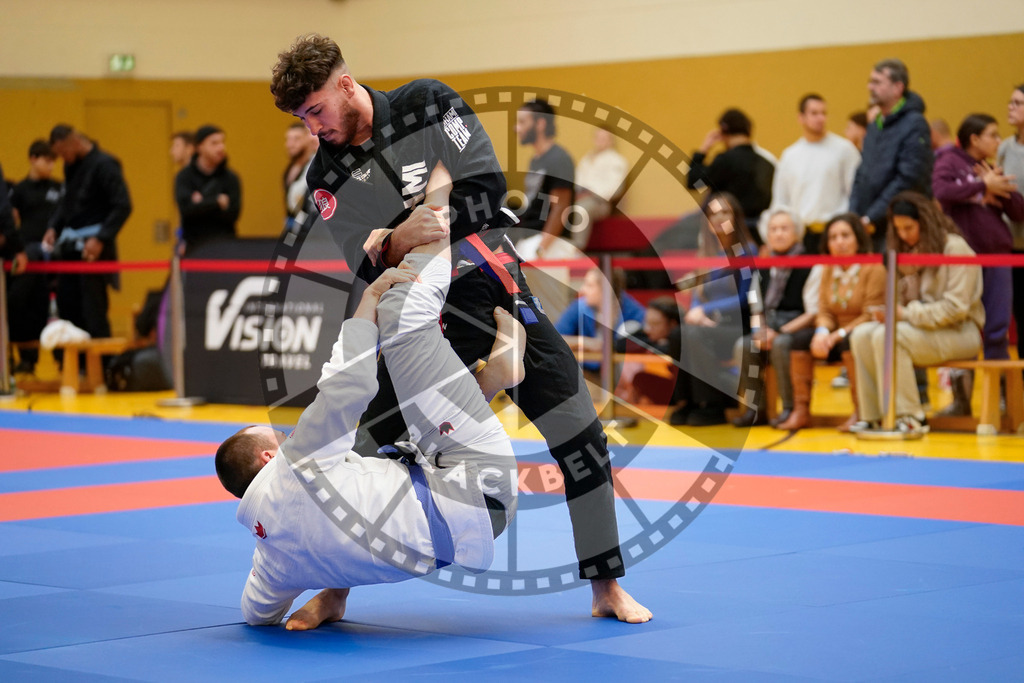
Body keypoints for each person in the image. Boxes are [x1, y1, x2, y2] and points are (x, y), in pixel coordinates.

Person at [269, 34, 650, 622]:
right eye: (302, 118)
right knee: (357, 451)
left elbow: (488, 188)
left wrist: (410, 229)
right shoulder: (326, 177)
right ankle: (334, 588)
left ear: (345, 85)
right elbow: (364, 261)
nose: (313, 127)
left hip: (490, 289)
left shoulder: (426, 102)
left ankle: (606, 588)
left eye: (315, 111)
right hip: (411, 321)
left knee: (581, 434)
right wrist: (408, 228)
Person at [217, 240, 524, 629]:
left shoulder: (272, 563)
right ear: (267, 458)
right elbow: (350, 386)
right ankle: (440, 214)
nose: (289, 435)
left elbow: (255, 613)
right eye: (280, 435)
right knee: (402, 311)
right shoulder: (296, 462)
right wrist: (371, 298)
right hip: (481, 481)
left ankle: (333, 595)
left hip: (462, 521)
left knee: (358, 466)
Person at [848, 192, 984, 436]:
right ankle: (874, 416)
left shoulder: (955, 248)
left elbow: (956, 309)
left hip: (961, 331)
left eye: (908, 227)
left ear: (926, 221)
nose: (903, 234)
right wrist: (889, 312)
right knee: (861, 334)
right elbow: (902, 306)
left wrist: (905, 314)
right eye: (898, 229)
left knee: (889, 338)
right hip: (920, 329)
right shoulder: (903, 252)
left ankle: (910, 416)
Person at [933, 113, 1024, 415]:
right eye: (993, 135)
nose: (998, 141)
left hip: (997, 255)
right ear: (974, 139)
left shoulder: (991, 168)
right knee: (960, 325)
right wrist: (980, 186)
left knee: (997, 328)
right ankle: (961, 401)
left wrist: (999, 189)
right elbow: (942, 192)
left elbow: (1019, 211)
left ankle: (1002, 401)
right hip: (963, 259)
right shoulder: (949, 161)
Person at [784, 213, 884, 431]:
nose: (839, 242)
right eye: (833, 237)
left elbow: (870, 314)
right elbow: (825, 310)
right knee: (800, 340)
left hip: (861, 332)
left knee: (851, 340)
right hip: (832, 334)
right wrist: (821, 331)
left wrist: (837, 335)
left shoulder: (873, 267)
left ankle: (861, 411)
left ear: (858, 238)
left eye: (845, 235)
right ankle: (801, 411)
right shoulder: (828, 268)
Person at [671, 192, 757, 426]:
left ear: (736, 217)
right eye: (713, 214)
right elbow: (699, 295)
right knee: (679, 333)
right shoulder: (706, 255)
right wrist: (697, 312)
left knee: (694, 334)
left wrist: (707, 310)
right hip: (709, 325)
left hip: (737, 325)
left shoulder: (748, 250)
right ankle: (686, 402)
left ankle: (714, 405)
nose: (719, 218)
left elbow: (744, 298)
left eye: (725, 212)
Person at [734, 209, 820, 428]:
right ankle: (756, 409)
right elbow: (755, 307)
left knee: (782, 344)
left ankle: (789, 408)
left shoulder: (811, 266)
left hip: (798, 325)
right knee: (744, 345)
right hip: (767, 323)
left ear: (797, 233)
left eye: (784, 228)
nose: (779, 234)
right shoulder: (761, 267)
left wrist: (780, 332)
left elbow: (812, 312)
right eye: (773, 229)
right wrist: (757, 330)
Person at [46, 124, 132, 341]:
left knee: (92, 309)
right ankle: (79, 367)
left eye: (63, 152)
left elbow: (123, 205)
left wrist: (101, 238)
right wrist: (53, 227)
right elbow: (67, 203)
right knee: (67, 304)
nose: (62, 158)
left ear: (75, 141)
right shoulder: (71, 167)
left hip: (94, 247)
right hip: (70, 246)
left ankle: (102, 367)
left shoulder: (105, 165)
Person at [849, 58, 933, 253]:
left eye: (877, 82)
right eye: (870, 81)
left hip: (899, 224)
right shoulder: (875, 124)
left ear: (897, 88)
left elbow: (909, 178)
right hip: (869, 225)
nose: (870, 87)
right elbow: (862, 173)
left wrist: (871, 217)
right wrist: (854, 217)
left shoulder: (915, 124)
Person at [767, 94, 860, 254]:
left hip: (835, 233)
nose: (820, 118)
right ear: (801, 117)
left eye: (824, 113)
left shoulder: (844, 150)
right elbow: (780, 200)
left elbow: (855, 192)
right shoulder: (790, 155)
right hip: (800, 236)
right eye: (814, 113)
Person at [7, 141, 62, 373]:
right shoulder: (19, 190)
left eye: (53, 161)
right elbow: (10, 218)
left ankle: (64, 360)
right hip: (29, 259)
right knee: (27, 305)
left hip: (55, 256)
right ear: (33, 158)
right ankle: (27, 359)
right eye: (46, 160)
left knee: (59, 306)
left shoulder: (59, 188)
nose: (50, 166)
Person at [687, 108, 775, 244]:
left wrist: (703, 151)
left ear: (723, 134)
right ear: (749, 131)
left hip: (727, 233)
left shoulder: (725, 161)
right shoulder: (767, 163)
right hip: (760, 235)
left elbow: (693, 182)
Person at [555, 266, 645, 382]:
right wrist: (585, 342)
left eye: (589, 285)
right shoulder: (579, 306)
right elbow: (555, 338)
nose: (582, 289)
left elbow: (648, 340)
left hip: (621, 378)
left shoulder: (630, 309)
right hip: (588, 374)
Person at [174, 125, 242, 256]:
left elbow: (233, 214)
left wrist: (201, 202)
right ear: (199, 147)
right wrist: (216, 202)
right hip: (194, 248)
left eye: (222, 142)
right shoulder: (184, 177)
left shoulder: (231, 178)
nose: (221, 147)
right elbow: (186, 210)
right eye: (214, 143)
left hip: (224, 246)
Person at [997, 84, 1024, 378]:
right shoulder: (1004, 147)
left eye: (1018, 103)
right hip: (1012, 248)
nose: (1011, 107)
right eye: (1010, 101)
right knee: (1019, 316)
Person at [571, 126, 628, 249]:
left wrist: (589, 193)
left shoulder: (617, 160)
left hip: (599, 203)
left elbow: (614, 190)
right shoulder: (587, 158)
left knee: (582, 209)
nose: (600, 140)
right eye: (598, 137)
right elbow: (577, 180)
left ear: (611, 140)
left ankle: (577, 249)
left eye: (604, 138)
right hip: (579, 197)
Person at [283, 122, 319, 233]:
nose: (290, 144)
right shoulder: (289, 170)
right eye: (288, 139)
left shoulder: (316, 167)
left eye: (296, 139)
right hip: (296, 229)